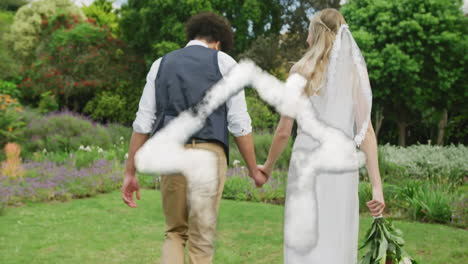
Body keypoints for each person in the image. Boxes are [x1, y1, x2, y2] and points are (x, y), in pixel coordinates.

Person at [121, 12, 267, 264]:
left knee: (175, 232)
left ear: (193, 35)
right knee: (201, 238)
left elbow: (143, 122)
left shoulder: (161, 64)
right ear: (219, 41)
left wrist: (130, 173)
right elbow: (240, 124)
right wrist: (254, 170)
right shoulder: (226, 63)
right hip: (209, 156)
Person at [258, 9, 385, 263]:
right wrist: (376, 187)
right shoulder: (354, 75)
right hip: (343, 166)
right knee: (337, 232)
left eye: (308, 30)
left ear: (316, 32)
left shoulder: (300, 70)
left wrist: (267, 167)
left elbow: (284, 130)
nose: (306, 38)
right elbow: (366, 131)